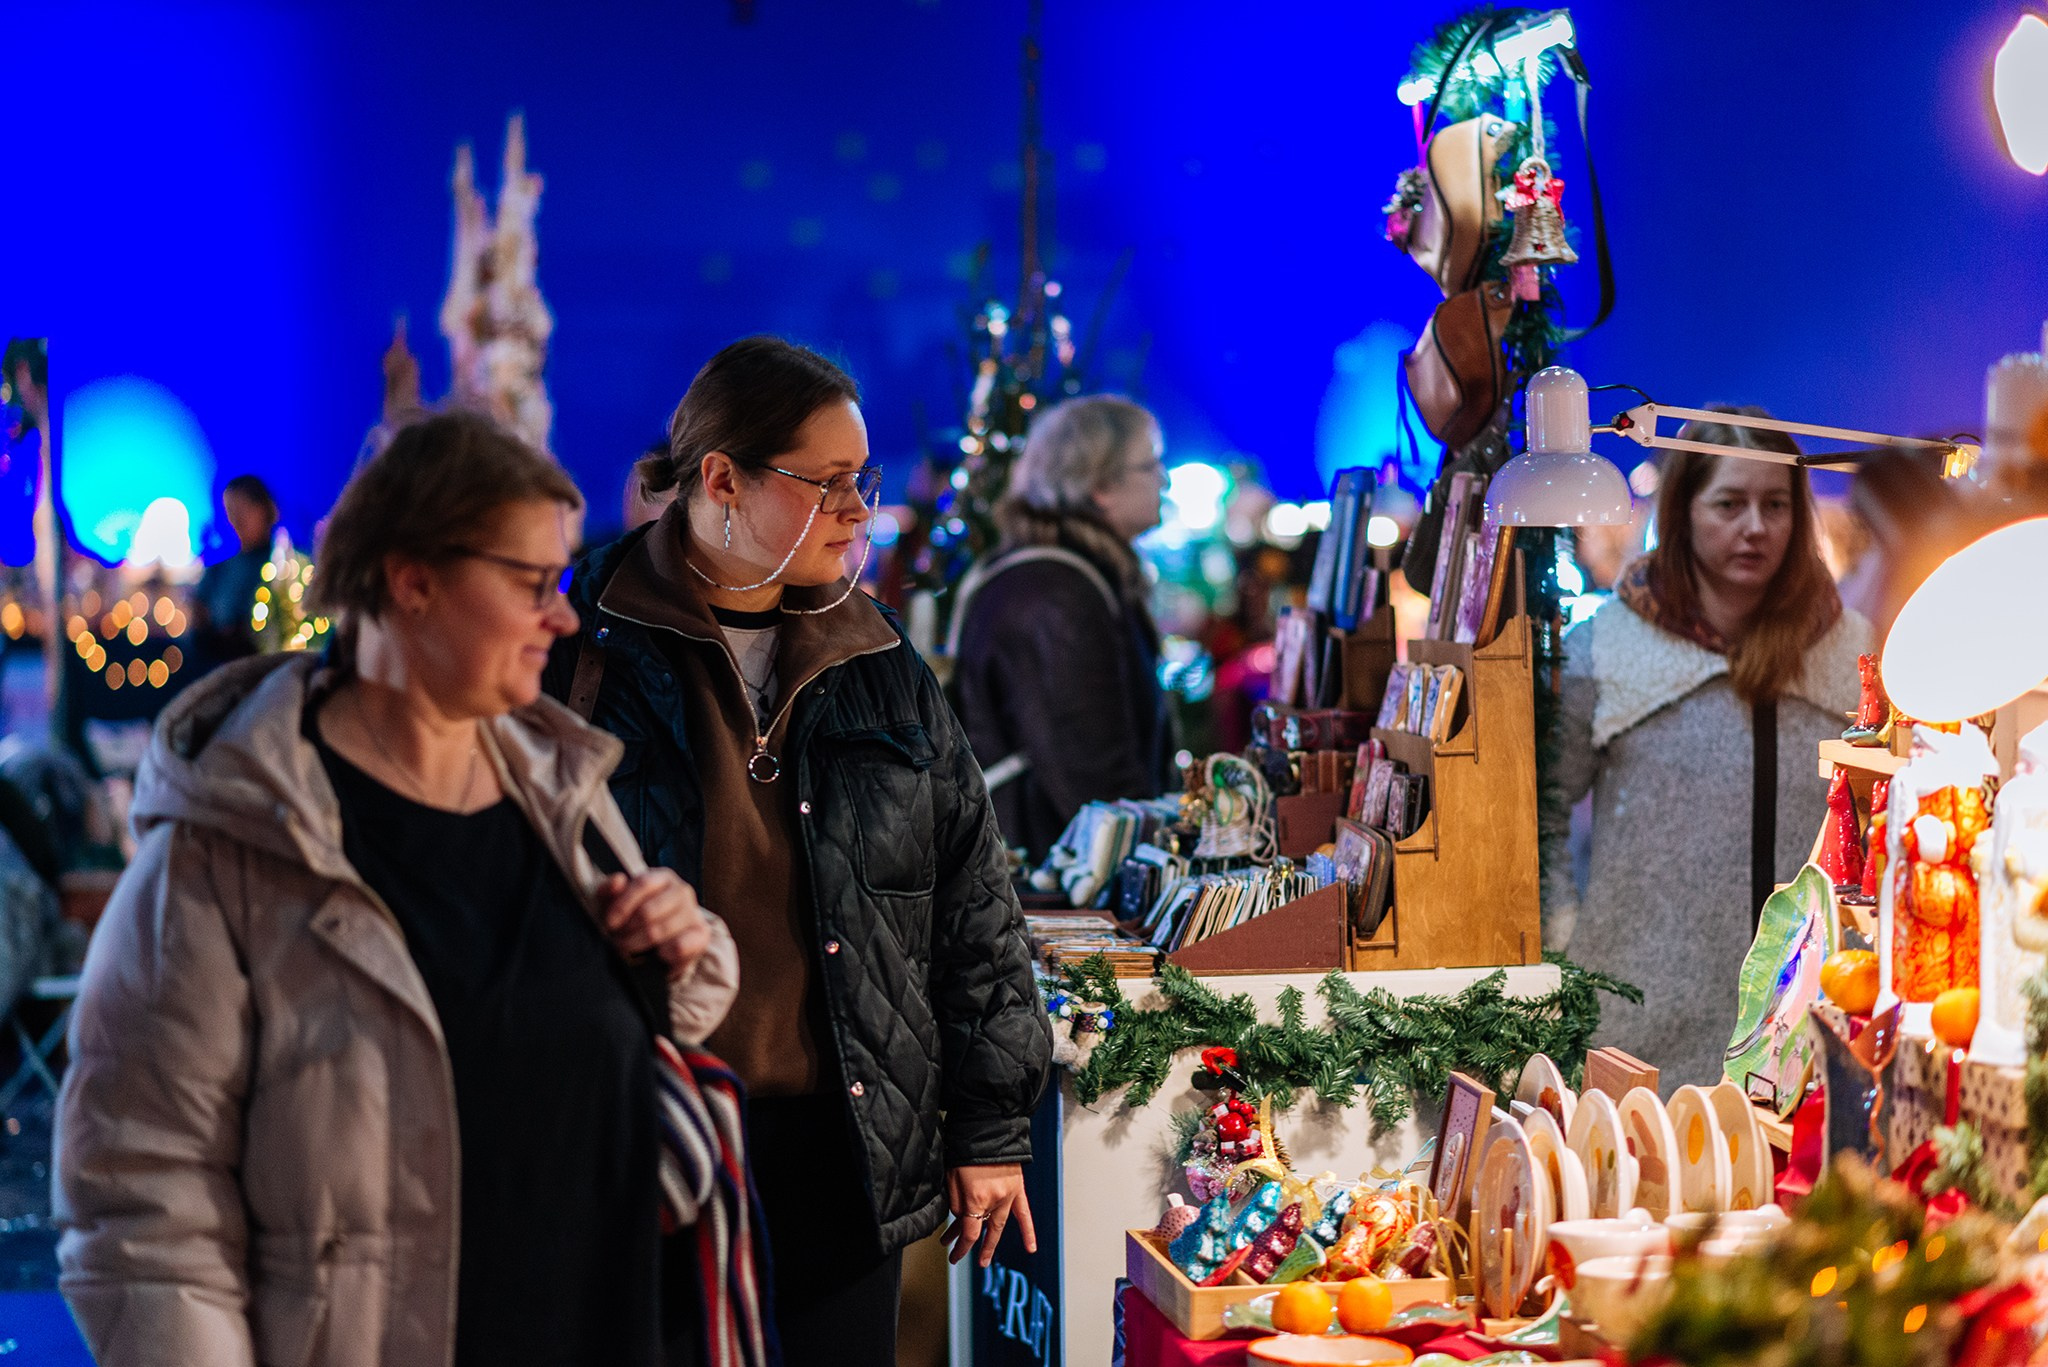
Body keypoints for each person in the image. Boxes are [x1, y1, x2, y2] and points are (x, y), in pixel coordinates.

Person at [54, 411, 741, 1367]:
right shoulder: (229, 844)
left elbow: (674, 1021)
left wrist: (683, 943)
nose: (565, 617)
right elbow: (145, 1211)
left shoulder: (557, 783)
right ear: (411, 579)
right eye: (533, 584)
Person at [544, 335, 1050, 1367]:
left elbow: (971, 897)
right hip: (650, 1138)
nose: (858, 510)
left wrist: (991, 1129)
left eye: (859, 481)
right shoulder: (579, 644)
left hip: (843, 1145)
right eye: (824, 483)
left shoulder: (875, 656)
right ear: (720, 478)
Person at [1540, 409, 1874, 1094]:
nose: (1756, 526)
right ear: (1685, 508)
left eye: (1776, 505)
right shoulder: (1609, 645)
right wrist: (1564, 941)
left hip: (1807, 1036)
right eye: (1730, 503)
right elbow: (1540, 806)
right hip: (1636, 1030)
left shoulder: (1851, 652)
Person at [950, 394, 1176, 863]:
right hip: (1050, 875)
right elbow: (1091, 769)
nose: (1164, 478)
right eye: (1150, 463)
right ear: (1100, 485)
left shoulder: (1057, 575)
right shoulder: (1057, 591)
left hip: (1043, 861)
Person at [190, 473, 280, 669]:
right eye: (231, 510)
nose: (237, 520)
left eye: (245, 509)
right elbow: (199, 614)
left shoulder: (285, 565)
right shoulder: (218, 569)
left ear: (266, 509)